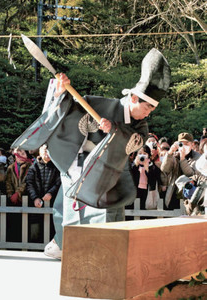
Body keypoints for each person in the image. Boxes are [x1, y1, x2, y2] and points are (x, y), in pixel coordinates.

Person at [11, 48, 171, 258]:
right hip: (77, 164)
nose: (148, 113)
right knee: (67, 207)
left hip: (109, 172)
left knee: (109, 212)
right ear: (133, 99)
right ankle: (64, 243)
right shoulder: (96, 104)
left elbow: (136, 142)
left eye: (151, 109)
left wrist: (113, 129)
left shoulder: (140, 125)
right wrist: (60, 92)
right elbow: (65, 110)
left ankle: (100, 252)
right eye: (147, 107)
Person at [26, 144, 61, 243]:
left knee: (52, 227)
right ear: (40, 152)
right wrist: (35, 197)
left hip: (53, 202)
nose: (47, 153)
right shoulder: (34, 167)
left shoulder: (57, 166)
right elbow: (29, 183)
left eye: (49, 151)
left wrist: (51, 193)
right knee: (35, 228)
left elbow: (59, 183)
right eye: (45, 151)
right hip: (36, 202)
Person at [160, 132, 201, 210]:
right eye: (181, 144)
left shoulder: (198, 158)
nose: (184, 146)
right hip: (174, 193)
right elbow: (164, 169)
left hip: (190, 195)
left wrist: (182, 159)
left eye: (187, 144)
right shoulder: (174, 155)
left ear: (192, 145)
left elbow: (190, 174)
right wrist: (169, 153)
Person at [5, 148, 32, 242]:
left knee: (25, 223)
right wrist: (10, 194)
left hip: (26, 198)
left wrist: (18, 193)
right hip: (13, 200)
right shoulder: (10, 167)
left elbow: (27, 181)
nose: (20, 156)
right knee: (13, 223)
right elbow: (8, 182)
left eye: (23, 153)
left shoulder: (31, 166)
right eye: (18, 154)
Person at [129, 145, 161, 216]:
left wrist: (147, 169)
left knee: (144, 210)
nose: (142, 155)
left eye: (144, 153)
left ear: (149, 155)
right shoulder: (132, 166)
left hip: (147, 192)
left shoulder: (153, 166)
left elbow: (154, 181)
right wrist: (135, 165)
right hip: (135, 191)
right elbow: (130, 177)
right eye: (140, 153)